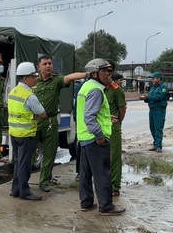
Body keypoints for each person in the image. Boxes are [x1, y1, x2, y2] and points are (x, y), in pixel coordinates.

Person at [76, 58, 126, 215]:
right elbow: (89, 117)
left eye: (109, 71)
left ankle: (86, 202)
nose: (108, 74)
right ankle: (106, 206)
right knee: (102, 173)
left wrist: (106, 118)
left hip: (84, 137)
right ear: (93, 73)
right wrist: (99, 135)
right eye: (104, 71)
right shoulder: (96, 90)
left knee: (85, 173)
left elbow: (88, 113)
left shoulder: (86, 87)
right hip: (94, 139)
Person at [33, 55, 87, 192]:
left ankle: (44, 181)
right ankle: (22, 181)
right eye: (45, 64)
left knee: (49, 153)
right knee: (29, 153)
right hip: (34, 122)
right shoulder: (33, 82)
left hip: (50, 121)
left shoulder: (56, 81)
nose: (48, 66)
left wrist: (87, 74)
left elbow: (70, 77)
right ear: (38, 67)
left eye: (50, 63)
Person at [8, 62, 47, 201]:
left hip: (14, 133)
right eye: (33, 76)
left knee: (18, 163)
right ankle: (25, 192)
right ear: (25, 79)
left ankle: (16, 189)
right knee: (24, 164)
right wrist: (37, 116)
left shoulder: (12, 92)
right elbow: (42, 113)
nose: (36, 78)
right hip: (26, 135)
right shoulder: (29, 96)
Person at [105, 73, 127, 196]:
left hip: (113, 126)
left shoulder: (116, 90)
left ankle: (114, 186)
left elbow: (122, 109)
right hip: (101, 126)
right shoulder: (99, 89)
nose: (107, 77)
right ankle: (104, 183)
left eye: (109, 75)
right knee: (103, 156)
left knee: (114, 156)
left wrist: (118, 122)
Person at [139, 71, 169, 153]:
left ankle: (158, 146)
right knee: (152, 127)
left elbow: (158, 97)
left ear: (159, 78)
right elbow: (149, 98)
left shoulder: (163, 87)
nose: (152, 80)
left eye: (153, 78)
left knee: (158, 128)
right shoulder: (152, 88)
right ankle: (155, 144)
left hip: (159, 110)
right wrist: (145, 98)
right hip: (151, 109)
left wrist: (147, 98)